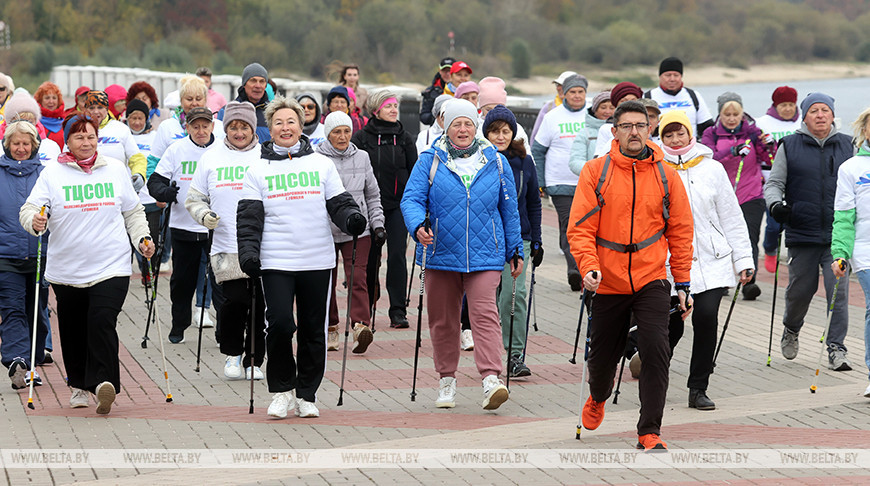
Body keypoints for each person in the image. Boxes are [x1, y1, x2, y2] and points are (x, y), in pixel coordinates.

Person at [567, 100, 694, 451]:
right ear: (615, 131)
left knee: (656, 348)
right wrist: (589, 266)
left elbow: (681, 232)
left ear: (649, 129)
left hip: (651, 278)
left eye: (640, 125)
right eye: (627, 126)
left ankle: (649, 430)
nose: (634, 132)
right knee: (603, 359)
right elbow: (579, 229)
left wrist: (682, 282)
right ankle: (597, 396)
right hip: (606, 279)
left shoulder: (667, 175)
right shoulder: (596, 172)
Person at [236, 95, 365, 419]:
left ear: (301, 124)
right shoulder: (257, 168)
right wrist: (248, 253)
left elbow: (339, 203)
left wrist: (351, 218)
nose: (285, 127)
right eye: (278, 122)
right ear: (270, 128)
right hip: (276, 260)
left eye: (290, 121)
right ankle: (281, 390)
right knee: (279, 324)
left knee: (313, 329)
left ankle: (306, 392)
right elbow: (249, 218)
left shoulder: (321, 164)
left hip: (317, 260)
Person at [21, 113, 153, 415]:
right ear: (67, 140)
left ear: (98, 139)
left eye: (91, 136)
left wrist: (143, 238)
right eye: (79, 136)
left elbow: (133, 212)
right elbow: (30, 210)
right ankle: (79, 384)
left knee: (101, 321)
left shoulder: (116, 170)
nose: (86, 142)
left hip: (112, 264)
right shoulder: (53, 173)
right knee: (73, 327)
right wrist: (35, 220)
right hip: (67, 268)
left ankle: (104, 383)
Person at [401, 99, 524, 410]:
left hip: (486, 253)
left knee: (485, 315)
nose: (463, 129)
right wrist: (417, 225)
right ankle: (446, 380)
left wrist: (515, 249)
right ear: (445, 125)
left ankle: (490, 380)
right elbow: (411, 199)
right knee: (443, 321)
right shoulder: (429, 160)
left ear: (476, 126)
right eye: (457, 123)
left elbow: (509, 210)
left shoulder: (495, 161)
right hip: (440, 252)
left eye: (468, 123)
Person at [659, 110, 754, 410]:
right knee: (671, 326)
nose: (676, 139)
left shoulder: (712, 169)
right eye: (668, 135)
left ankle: (698, 387)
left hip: (713, 261)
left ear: (691, 133)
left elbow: (731, 217)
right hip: (671, 262)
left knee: (706, 318)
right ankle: (655, 377)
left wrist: (743, 259)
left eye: (680, 133)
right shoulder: (655, 168)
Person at [764, 92, 854, 371]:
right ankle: (791, 328)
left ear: (832, 115)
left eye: (825, 110)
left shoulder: (849, 145)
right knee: (801, 291)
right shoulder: (789, 146)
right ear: (804, 116)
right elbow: (774, 183)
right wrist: (775, 205)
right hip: (802, 231)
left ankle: (836, 348)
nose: (820, 115)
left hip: (838, 233)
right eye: (814, 110)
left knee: (837, 291)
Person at [186, 101, 265, 380]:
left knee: (258, 304)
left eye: (244, 127)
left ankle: (254, 360)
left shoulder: (265, 156)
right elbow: (194, 199)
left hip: (261, 245)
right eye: (233, 127)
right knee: (233, 303)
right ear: (226, 129)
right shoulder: (211, 157)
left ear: (253, 128)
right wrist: (204, 215)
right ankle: (232, 355)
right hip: (225, 244)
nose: (239, 132)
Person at [317, 111, 386, 353]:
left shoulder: (363, 157)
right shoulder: (316, 158)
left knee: (358, 279)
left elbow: (373, 195)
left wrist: (377, 224)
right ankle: (331, 327)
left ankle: (360, 326)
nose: (343, 136)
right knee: (326, 281)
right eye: (337, 132)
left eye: (346, 131)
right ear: (328, 134)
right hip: (324, 229)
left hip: (358, 228)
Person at [147, 107, 217, 344]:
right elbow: (154, 181)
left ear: (212, 126)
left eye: (204, 126)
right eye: (195, 126)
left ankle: (224, 330)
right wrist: (166, 192)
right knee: (181, 282)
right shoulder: (176, 150)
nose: (200, 131)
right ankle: (179, 324)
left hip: (216, 228)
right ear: (187, 127)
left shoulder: (222, 151)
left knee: (219, 280)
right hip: (183, 226)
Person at [483, 106, 542, 377]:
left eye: (505, 131)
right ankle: (490, 352)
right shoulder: (477, 160)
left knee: (513, 295)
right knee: (485, 298)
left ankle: (515, 354)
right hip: (483, 238)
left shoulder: (524, 161)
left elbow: (533, 203)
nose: (500, 136)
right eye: (495, 131)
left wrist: (538, 240)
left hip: (518, 238)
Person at [352, 89, 417, 328]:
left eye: (395, 106)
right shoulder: (361, 138)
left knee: (398, 256)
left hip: (398, 207)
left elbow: (414, 173)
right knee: (370, 260)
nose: (393, 110)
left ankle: (398, 310)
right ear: (376, 110)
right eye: (388, 106)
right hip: (369, 207)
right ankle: (366, 308)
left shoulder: (405, 138)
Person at [700, 92, 774, 301]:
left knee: (749, 237)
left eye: (736, 114)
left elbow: (768, 158)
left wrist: (769, 144)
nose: (732, 118)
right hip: (720, 195)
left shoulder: (753, 132)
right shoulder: (710, 133)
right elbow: (707, 157)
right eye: (727, 114)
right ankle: (722, 280)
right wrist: (732, 151)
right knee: (720, 239)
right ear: (720, 114)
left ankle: (749, 282)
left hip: (750, 193)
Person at [0, 121, 50, 389]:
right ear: (7, 144)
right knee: (12, 309)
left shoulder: (46, 174)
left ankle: (33, 359)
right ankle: (17, 361)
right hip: (5, 258)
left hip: (39, 256)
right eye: (16, 143)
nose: (21, 148)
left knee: (37, 312)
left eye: (25, 144)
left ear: (34, 146)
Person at [532, 74, 588, 291]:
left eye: (580, 91)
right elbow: (538, 150)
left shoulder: (593, 115)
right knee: (569, 224)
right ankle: (575, 269)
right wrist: (541, 182)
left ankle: (586, 268)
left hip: (588, 182)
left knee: (587, 226)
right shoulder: (553, 116)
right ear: (564, 93)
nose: (576, 95)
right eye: (572, 91)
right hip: (559, 182)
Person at [831, 106, 870, 396]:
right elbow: (844, 217)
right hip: (865, 251)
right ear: (864, 130)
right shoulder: (851, 168)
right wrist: (840, 253)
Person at [756, 86, 801, 273]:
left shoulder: (802, 123)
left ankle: (795, 259)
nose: (788, 109)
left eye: (791, 104)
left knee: (795, 222)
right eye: (783, 105)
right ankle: (769, 248)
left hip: (796, 178)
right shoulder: (762, 123)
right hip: (769, 179)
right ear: (775, 105)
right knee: (774, 224)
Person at [126, 99, 161, 285]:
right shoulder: (123, 137)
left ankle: (149, 273)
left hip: (150, 198)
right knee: (127, 241)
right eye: (133, 118)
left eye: (141, 118)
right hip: (129, 199)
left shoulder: (155, 137)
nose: (137, 122)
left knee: (151, 238)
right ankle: (125, 274)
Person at [82, 90, 147, 187]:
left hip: (117, 187)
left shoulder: (121, 129)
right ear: (86, 109)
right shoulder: (77, 130)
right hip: (88, 189)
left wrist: (139, 174)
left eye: (100, 107)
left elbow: (137, 159)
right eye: (91, 108)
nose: (96, 111)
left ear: (107, 109)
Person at [645, 57, 714, 137]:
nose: (672, 79)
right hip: (658, 146)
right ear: (660, 76)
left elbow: (707, 126)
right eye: (668, 75)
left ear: (681, 76)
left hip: (690, 146)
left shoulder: (694, 96)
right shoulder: (648, 97)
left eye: (676, 75)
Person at [218, 62, 270, 142]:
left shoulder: (273, 112)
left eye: (262, 81)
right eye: (253, 81)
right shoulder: (227, 111)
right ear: (244, 84)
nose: (258, 86)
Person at [477, 77, 531, 152]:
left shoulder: (518, 130)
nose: (493, 113)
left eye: (498, 108)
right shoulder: (474, 129)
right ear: (481, 108)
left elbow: (528, 155)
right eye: (488, 110)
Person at [593, 81, 643, 158]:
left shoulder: (645, 126)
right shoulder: (606, 128)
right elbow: (599, 158)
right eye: (624, 101)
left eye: (633, 100)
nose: (629, 104)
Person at [569, 90, 611, 175]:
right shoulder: (585, 133)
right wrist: (594, 171)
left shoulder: (624, 130)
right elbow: (575, 161)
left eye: (612, 108)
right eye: (603, 107)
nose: (607, 111)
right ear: (595, 110)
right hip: (593, 182)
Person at [531, 71, 577, 143]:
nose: (559, 88)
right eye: (557, 85)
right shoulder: (548, 107)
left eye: (563, 85)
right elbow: (535, 137)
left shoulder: (587, 109)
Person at [419, 57, 456, 126]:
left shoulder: (465, 91)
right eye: (445, 71)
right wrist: (437, 115)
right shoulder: (430, 92)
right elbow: (423, 117)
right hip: (437, 130)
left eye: (450, 71)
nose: (448, 74)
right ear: (440, 71)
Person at [34, 82, 66, 148]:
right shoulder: (35, 123)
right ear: (40, 101)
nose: (51, 101)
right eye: (47, 98)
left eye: (54, 98)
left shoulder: (65, 123)